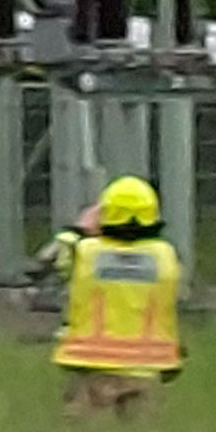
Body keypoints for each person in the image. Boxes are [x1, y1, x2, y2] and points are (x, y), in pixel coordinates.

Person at [49, 173, 182, 413]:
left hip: (92, 366)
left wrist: (81, 227)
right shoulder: (165, 257)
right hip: (146, 366)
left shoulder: (85, 253)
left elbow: (54, 259)